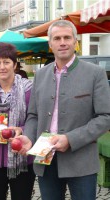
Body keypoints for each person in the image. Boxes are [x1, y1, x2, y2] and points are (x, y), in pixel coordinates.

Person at [17, 20, 110, 200]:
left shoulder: (95, 73)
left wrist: (70, 139)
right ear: (50, 44)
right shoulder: (40, 75)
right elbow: (33, 115)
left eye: (67, 37)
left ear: (76, 41)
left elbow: (105, 117)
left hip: (81, 160)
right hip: (45, 159)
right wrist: (28, 136)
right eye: (57, 38)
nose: (62, 42)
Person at [0, 43, 35, 200]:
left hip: (22, 159)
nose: (2, 67)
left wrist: (21, 129)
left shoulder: (29, 89)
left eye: (6, 62)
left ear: (15, 64)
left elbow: (35, 119)